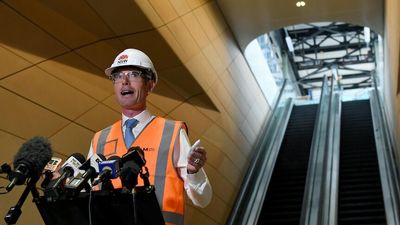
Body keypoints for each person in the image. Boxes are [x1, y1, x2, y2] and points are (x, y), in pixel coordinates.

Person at [87, 48, 212, 225]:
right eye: (117, 76)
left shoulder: (172, 132)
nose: (124, 81)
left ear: (150, 85)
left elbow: (203, 199)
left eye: (134, 74)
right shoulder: (99, 140)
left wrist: (193, 171)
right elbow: (88, 199)